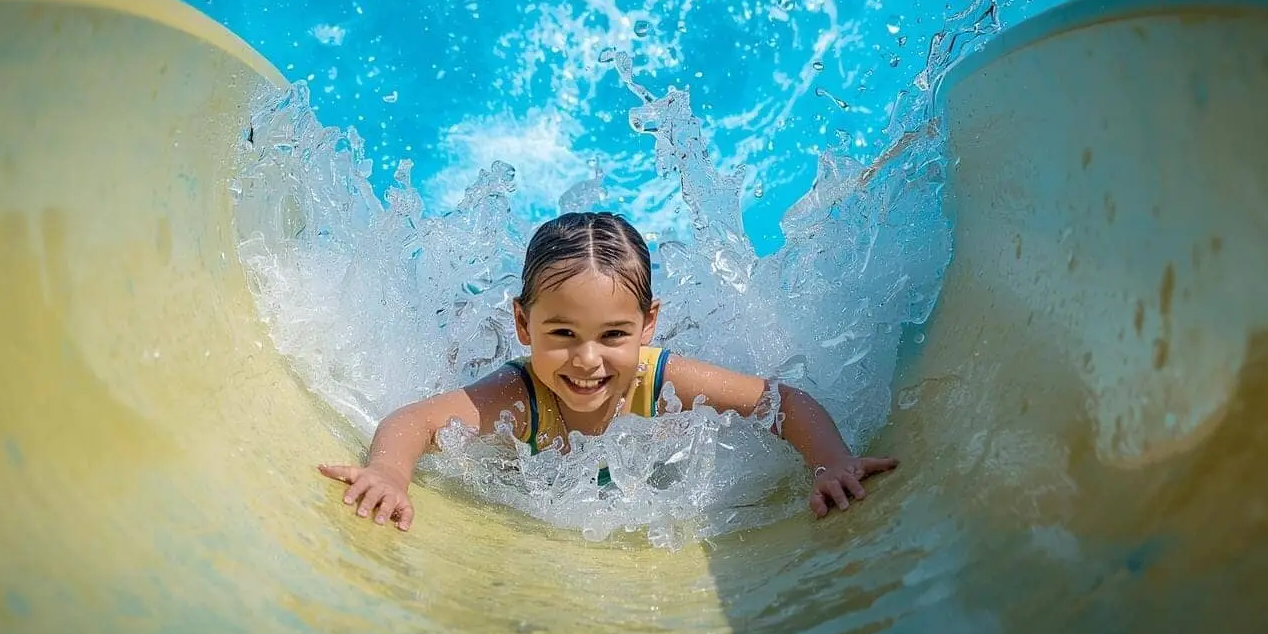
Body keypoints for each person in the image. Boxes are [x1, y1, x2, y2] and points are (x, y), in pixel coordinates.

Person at [318, 210, 899, 531]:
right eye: (562, 334)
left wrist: (830, 462)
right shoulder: (518, 397)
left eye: (613, 335)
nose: (587, 359)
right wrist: (389, 473)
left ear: (648, 324)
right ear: (524, 326)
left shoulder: (659, 379)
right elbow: (415, 420)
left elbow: (784, 403)